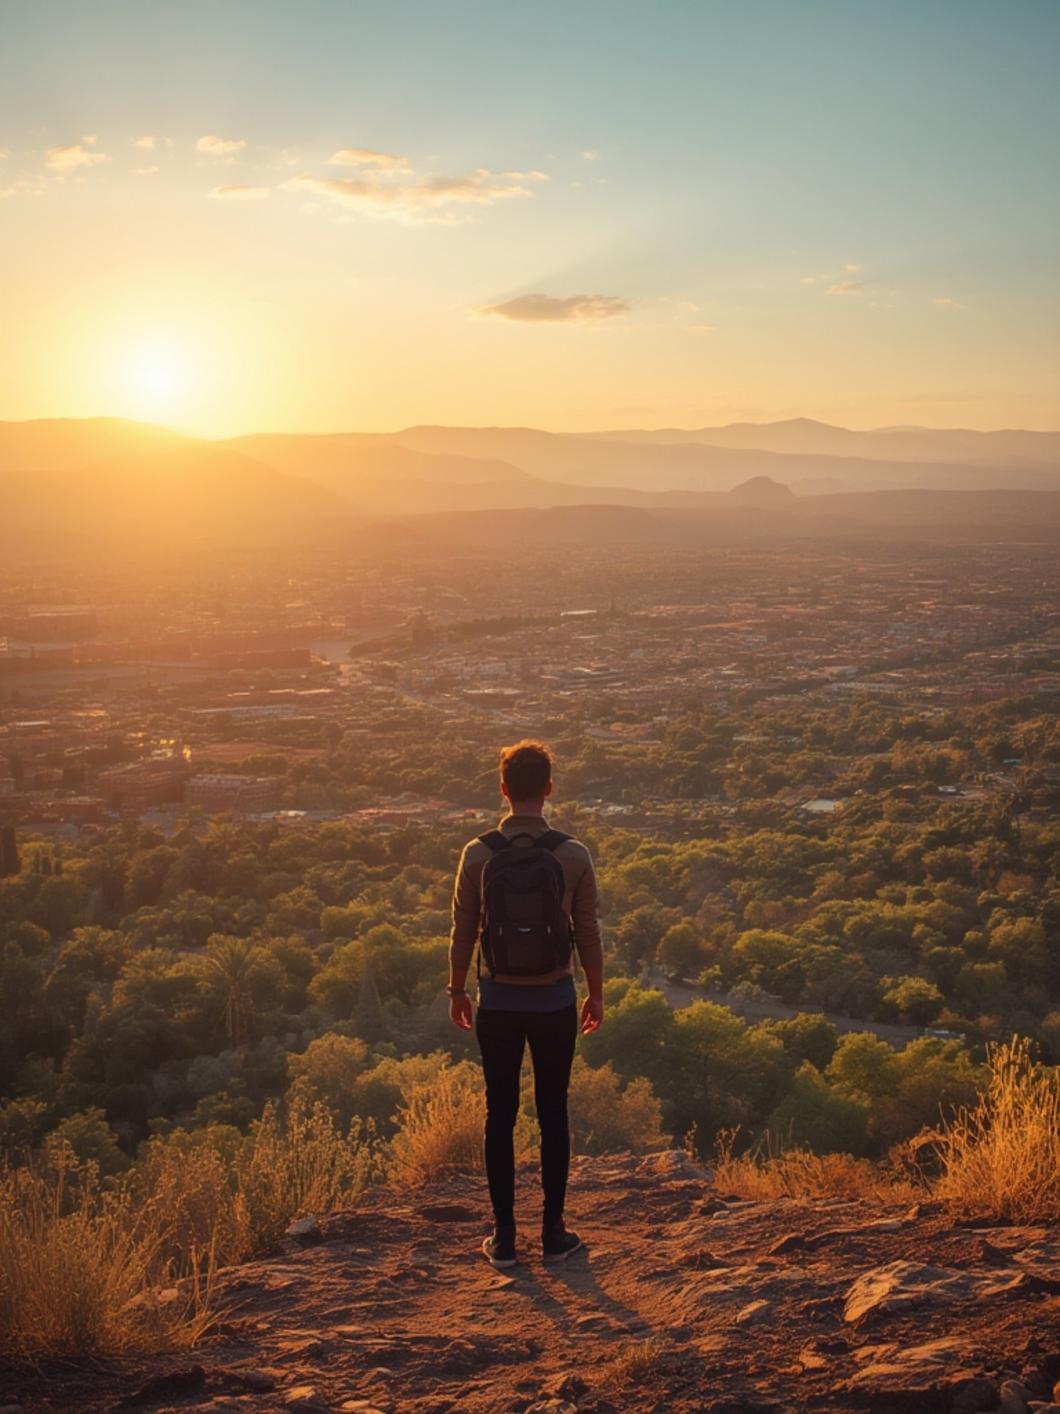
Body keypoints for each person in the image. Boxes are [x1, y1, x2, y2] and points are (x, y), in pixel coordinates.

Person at [448, 739, 604, 1268]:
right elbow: (587, 933)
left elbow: (462, 931)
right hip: (555, 1001)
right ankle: (555, 1234)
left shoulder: (477, 854)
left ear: (503, 789)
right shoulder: (574, 854)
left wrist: (457, 990)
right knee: (553, 1113)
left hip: (497, 1000)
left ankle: (505, 1237)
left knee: (501, 1115)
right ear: (550, 789)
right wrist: (596, 994)